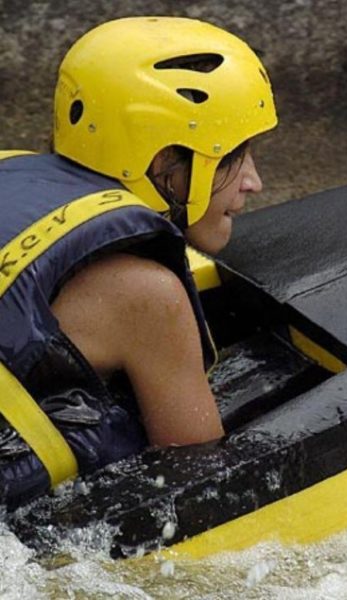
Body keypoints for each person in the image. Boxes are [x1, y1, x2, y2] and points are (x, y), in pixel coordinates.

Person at [0, 16, 277, 507]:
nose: (253, 182)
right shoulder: (145, 295)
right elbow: (199, 489)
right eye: (231, 155)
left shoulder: (11, 171)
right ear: (163, 161)